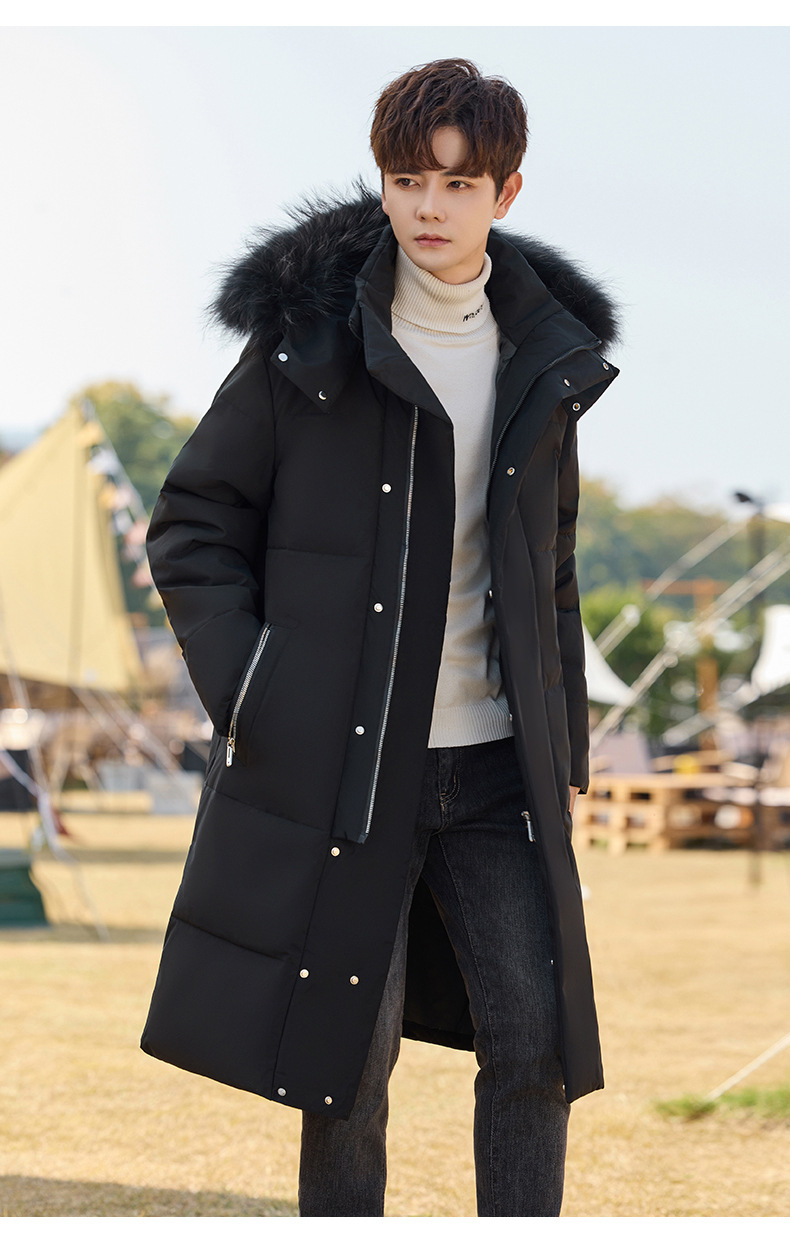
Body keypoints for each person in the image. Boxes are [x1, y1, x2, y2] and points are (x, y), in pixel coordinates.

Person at [141, 57, 619, 1217]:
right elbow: (193, 524)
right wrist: (257, 688)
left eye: (458, 185)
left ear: (505, 193)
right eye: (408, 180)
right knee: (345, 1070)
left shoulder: (542, 356)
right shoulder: (307, 345)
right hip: (352, 761)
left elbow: (548, 568)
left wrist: (563, 742)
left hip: (497, 767)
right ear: (384, 180)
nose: (428, 208)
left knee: (537, 1049)